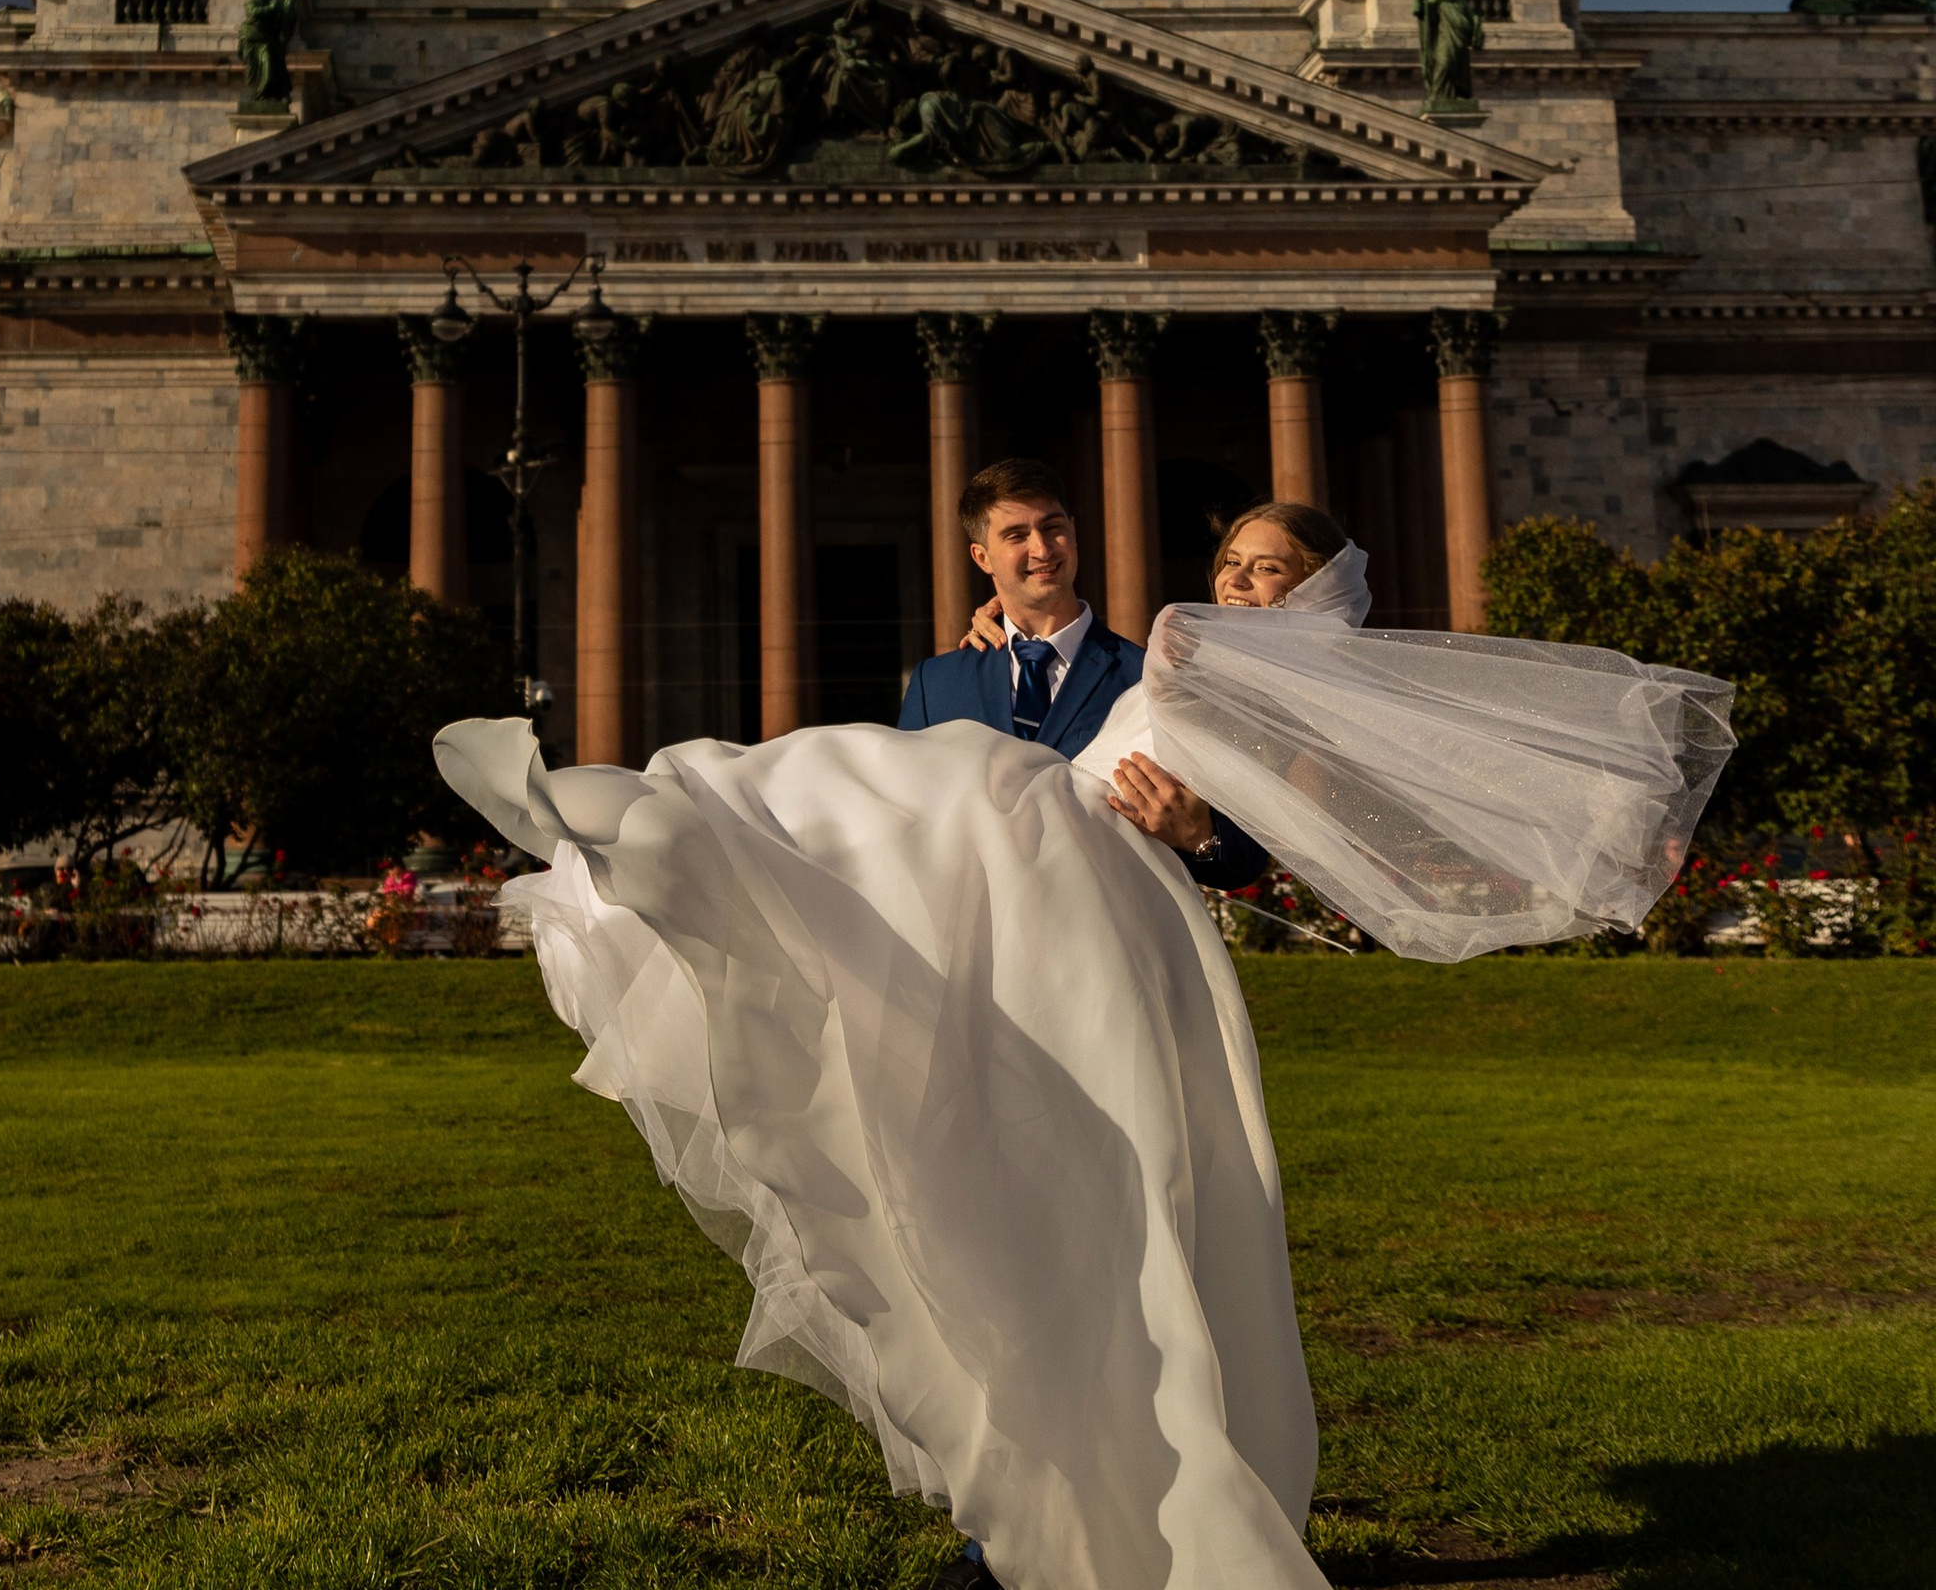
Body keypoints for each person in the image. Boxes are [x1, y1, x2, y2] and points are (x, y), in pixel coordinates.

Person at [436, 478, 1732, 1590]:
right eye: (1229, 560)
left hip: (1107, 919)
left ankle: (1131, 1498)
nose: (1235, 580)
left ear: (1321, 587)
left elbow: (1276, 844)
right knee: (966, 1081)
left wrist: (1194, 835)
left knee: (1119, 1202)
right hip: (1024, 892)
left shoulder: (1222, 673)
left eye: (1266, 568)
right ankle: (664, 839)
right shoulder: (1101, 655)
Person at [903, 459, 1269, 892]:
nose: (1042, 549)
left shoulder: (1152, 679)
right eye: (1016, 535)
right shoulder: (936, 685)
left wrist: (1197, 837)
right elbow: (905, 830)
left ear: (1074, 531)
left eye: (1052, 526)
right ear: (982, 556)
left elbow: (1243, 859)